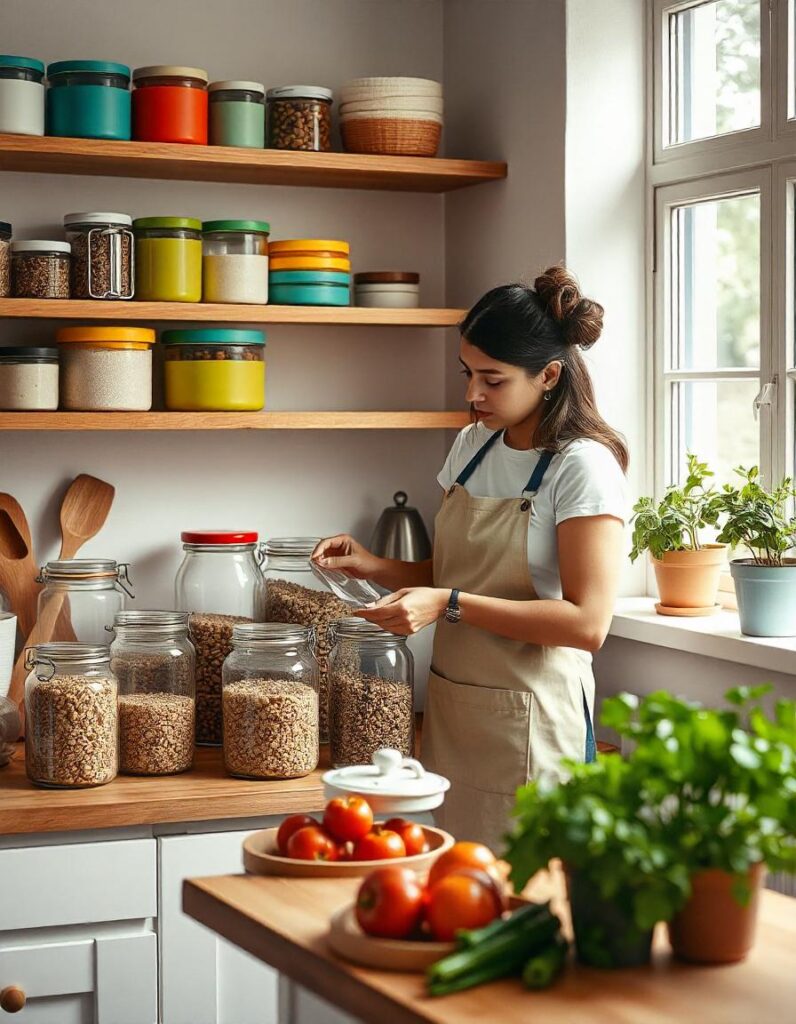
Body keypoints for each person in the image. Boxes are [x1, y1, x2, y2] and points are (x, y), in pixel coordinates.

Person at [313, 266, 628, 849]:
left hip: (532, 722)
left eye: (492, 379)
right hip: (456, 713)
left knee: (518, 903)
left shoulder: (581, 466)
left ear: (549, 376)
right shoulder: (472, 444)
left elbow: (588, 625)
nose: (471, 394)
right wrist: (374, 566)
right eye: (467, 373)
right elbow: (462, 574)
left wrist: (449, 604)